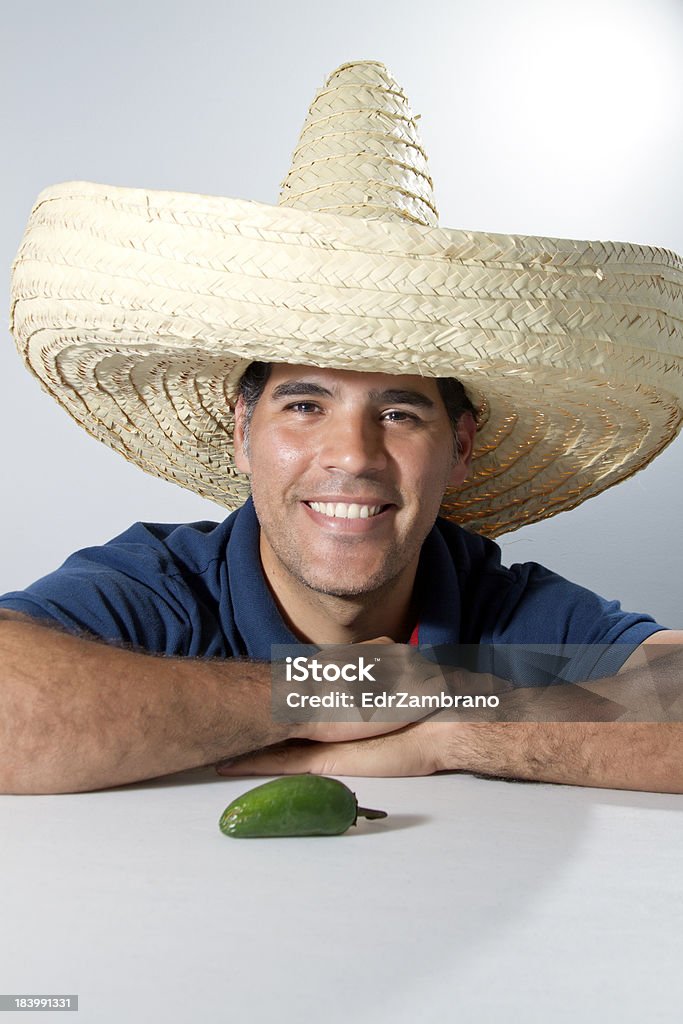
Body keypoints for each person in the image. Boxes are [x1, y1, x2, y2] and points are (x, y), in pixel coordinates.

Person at [1, 61, 682, 795]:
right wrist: (320, 695)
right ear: (241, 432)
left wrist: (459, 727)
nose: (352, 456)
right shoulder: (164, 588)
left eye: (397, 413)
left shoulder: (502, 606)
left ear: (459, 449)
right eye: (304, 405)